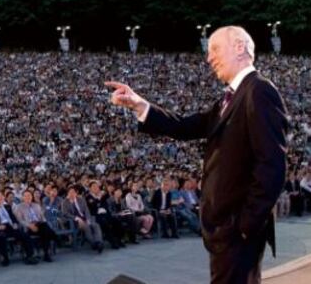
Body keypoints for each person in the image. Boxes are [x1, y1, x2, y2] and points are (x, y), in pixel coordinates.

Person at [106, 26, 288, 284]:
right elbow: (184, 126)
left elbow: (273, 165)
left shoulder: (259, 91)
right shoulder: (230, 99)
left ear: (239, 47)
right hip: (225, 229)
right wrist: (140, 104)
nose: (208, 57)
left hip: (236, 230)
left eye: (214, 49)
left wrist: (246, 225)